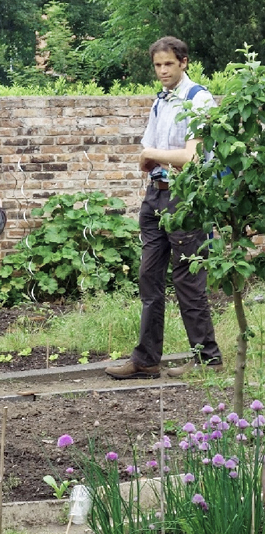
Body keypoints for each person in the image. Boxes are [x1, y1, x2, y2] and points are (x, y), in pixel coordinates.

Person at [105, 36, 223, 380]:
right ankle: (146, 360)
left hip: (185, 198)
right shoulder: (161, 100)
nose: (162, 71)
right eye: (157, 65)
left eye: (169, 64)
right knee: (149, 279)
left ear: (184, 62)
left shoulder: (198, 99)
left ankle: (208, 359)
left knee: (188, 279)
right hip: (155, 195)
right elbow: (150, 155)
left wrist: (154, 155)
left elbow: (191, 157)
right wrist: (155, 157)